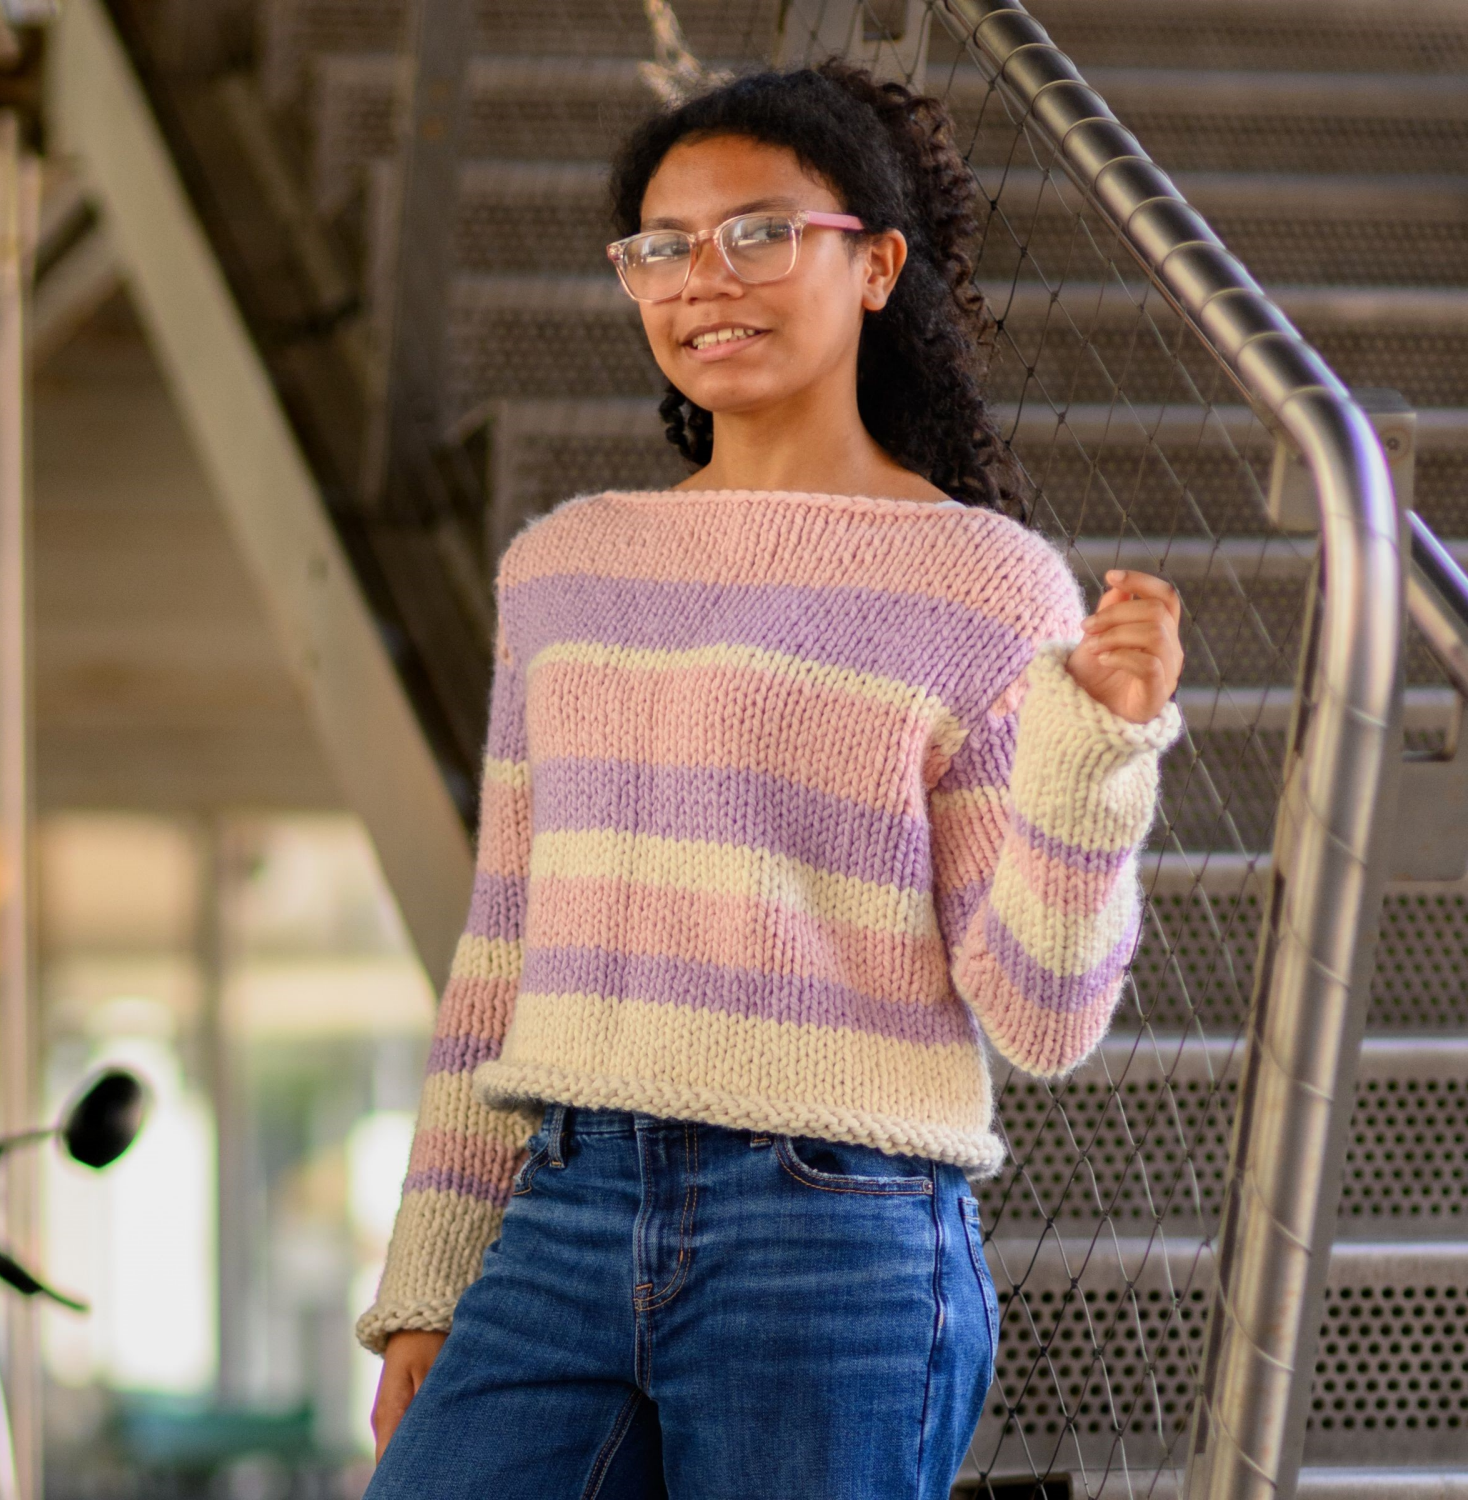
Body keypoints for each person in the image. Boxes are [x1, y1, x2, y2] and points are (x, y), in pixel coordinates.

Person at [357, 57, 1184, 1500]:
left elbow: (1040, 1017)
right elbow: (499, 949)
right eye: (661, 249)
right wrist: (431, 1275)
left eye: (760, 233)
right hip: (563, 1207)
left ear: (874, 265)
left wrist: (1097, 756)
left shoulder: (987, 590)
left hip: (836, 1233)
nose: (704, 280)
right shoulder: (566, 569)